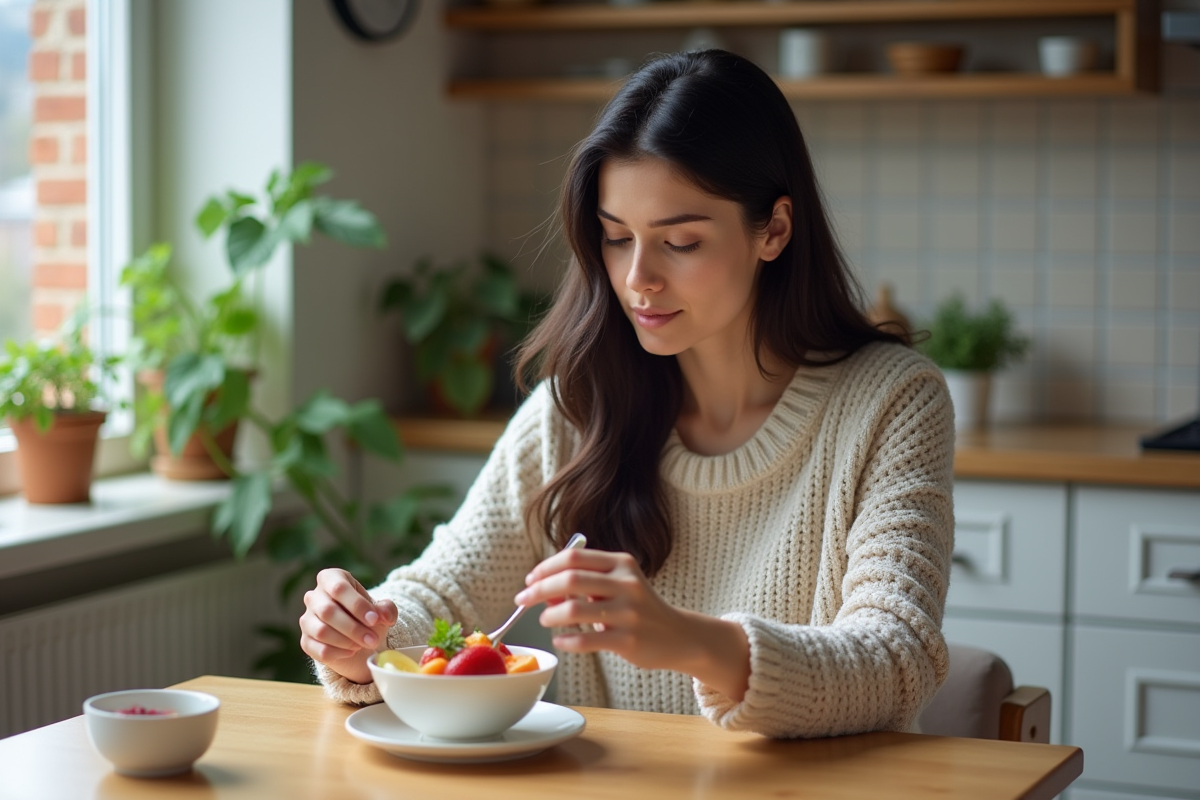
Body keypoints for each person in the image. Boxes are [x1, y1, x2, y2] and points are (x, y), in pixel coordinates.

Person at [300, 49, 954, 739]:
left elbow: (897, 657)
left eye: (681, 242)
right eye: (616, 238)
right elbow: (443, 592)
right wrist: (364, 633)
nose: (638, 277)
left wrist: (689, 640)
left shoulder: (892, 402)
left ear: (775, 230)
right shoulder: (578, 408)